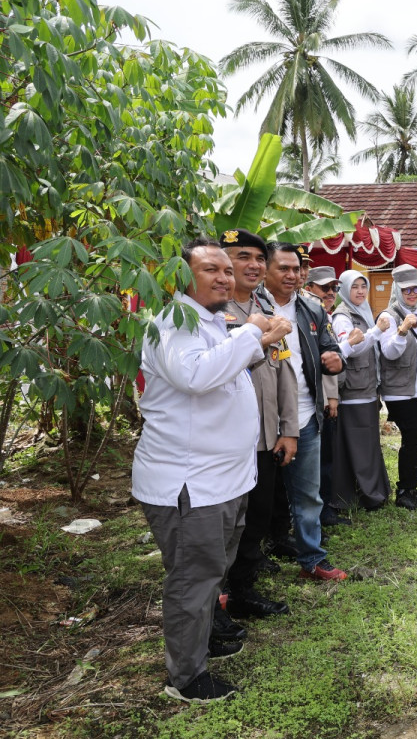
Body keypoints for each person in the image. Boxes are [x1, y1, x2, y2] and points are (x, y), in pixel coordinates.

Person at [133, 238, 290, 702]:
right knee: (193, 579)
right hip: (190, 483)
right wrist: (250, 333)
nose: (224, 276)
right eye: (211, 269)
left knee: (209, 572)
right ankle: (186, 678)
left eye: (227, 268)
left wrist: (252, 338)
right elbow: (197, 376)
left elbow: (225, 371)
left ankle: (200, 644)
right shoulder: (173, 323)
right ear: (182, 278)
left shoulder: (210, 321)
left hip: (221, 479)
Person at [217, 229, 295, 622]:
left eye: (259, 258)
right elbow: (219, 370)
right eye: (242, 256)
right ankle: (219, 599)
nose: (253, 265)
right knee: (227, 524)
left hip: (266, 436)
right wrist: (261, 339)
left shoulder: (265, 307)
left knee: (257, 517)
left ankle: (243, 591)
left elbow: (284, 374)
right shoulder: (214, 312)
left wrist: (289, 428)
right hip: (229, 439)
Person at [262, 243, 348, 581]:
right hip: (262, 418)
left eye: (296, 269)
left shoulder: (312, 309)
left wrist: (335, 360)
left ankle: (312, 559)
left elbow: (331, 349)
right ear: (265, 269)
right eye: (283, 268)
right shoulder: (250, 306)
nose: (292, 275)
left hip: (305, 415)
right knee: (257, 498)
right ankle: (250, 562)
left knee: (308, 495)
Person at [328, 269, 391, 512]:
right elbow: (350, 349)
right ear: (344, 290)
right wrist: (376, 332)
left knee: (365, 444)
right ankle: (369, 495)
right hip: (354, 391)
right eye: (354, 287)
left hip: (365, 388)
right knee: (360, 445)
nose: (360, 291)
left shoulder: (361, 311)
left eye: (363, 286)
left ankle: (363, 493)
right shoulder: (343, 316)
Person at [378, 265, 417, 510]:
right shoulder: (388, 316)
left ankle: (411, 487)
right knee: (412, 437)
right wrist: (401, 331)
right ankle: (403, 491)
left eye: (416, 289)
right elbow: (389, 353)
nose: (412, 293)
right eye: (406, 289)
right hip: (399, 391)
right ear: (397, 290)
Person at [302, 266, 345, 528]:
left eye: (334, 288)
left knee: (325, 458)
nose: (330, 293)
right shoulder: (309, 314)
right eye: (324, 288)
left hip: (323, 397)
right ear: (309, 289)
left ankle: (325, 509)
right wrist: (331, 397)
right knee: (318, 462)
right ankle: (319, 513)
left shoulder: (322, 314)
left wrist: (333, 397)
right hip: (311, 398)